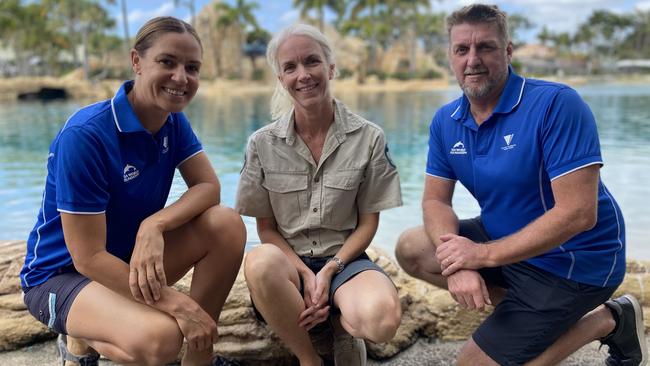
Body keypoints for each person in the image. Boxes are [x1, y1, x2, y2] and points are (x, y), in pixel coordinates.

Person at [394, 4, 647, 366]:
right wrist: (458, 264)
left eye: (486, 47)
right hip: (508, 243)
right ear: (450, 56)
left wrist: (479, 255)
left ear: (508, 51)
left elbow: (578, 214)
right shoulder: (445, 120)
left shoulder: (556, 104)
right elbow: (435, 202)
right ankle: (528, 314)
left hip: (575, 261)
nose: (473, 60)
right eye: (461, 50)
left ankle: (610, 320)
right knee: (412, 247)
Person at [20, 16, 245, 366]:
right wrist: (179, 304)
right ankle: (81, 336)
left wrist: (153, 225)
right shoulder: (86, 136)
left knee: (227, 224)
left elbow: (208, 187)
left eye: (192, 67)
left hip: (126, 263)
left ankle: (200, 360)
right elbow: (88, 258)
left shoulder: (172, 120)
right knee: (161, 338)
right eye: (167, 62)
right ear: (137, 62)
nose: (181, 78)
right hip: (59, 277)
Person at [235, 24, 403, 366]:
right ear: (280, 79)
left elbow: (369, 223)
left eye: (312, 62)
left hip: (346, 262)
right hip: (288, 268)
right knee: (259, 260)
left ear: (331, 67)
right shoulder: (261, 144)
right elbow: (265, 230)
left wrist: (328, 271)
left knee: (383, 321)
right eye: (290, 67)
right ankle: (309, 358)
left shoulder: (369, 137)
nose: (303, 75)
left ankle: (343, 328)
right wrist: (306, 274)